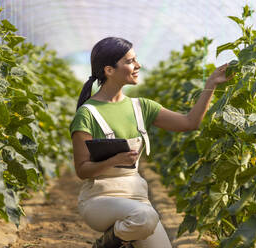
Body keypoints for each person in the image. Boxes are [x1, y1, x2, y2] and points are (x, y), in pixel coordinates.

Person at [69, 37, 234, 248]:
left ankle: (122, 239)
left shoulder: (143, 107)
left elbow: (189, 122)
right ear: (109, 70)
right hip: (99, 201)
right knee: (145, 217)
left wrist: (210, 85)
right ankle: (107, 245)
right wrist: (115, 160)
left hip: (137, 200)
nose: (138, 66)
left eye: (136, 59)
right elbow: (82, 170)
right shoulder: (87, 114)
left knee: (145, 218)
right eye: (130, 61)